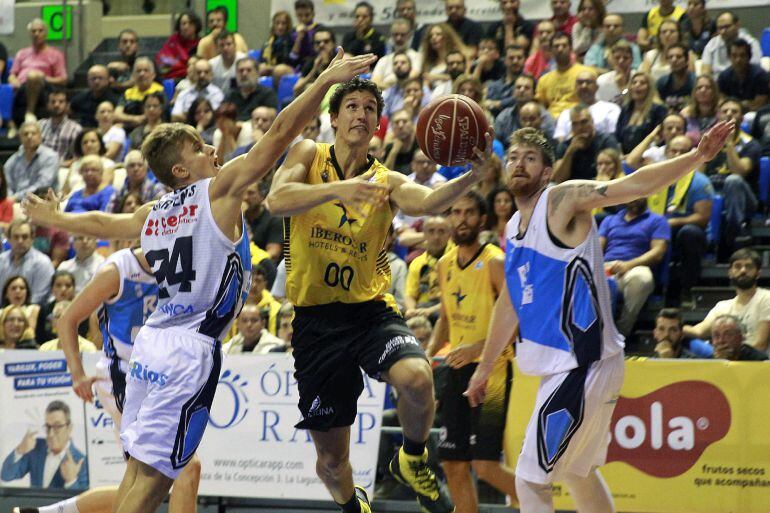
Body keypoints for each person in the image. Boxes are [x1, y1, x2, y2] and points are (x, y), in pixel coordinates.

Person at [23, 49, 378, 513]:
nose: (213, 150)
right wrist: (325, 81)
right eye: (200, 147)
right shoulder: (219, 190)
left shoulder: (152, 214)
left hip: (152, 345)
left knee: (137, 473)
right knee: (152, 486)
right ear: (181, 170)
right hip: (189, 351)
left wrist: (57, 218)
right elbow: (281, 132)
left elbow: (103, 224)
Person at [465, 121, 732, 513]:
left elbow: (634, 186)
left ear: (547, 171)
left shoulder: (560, 200)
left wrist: (696, 156)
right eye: (514, 157)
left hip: (580, 366)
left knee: (529, 479)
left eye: (530, 158)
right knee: (575, 471)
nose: (519, 164)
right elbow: (510, 301)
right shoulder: (513, 229)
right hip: (574, 367)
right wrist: (484, 367)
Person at [264, 74, 497, 513]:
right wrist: (339, 189)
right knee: (332, 462)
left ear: (377, 124)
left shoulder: (386, 180)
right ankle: (353, 504)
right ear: (333, 118)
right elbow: (276, 200)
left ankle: (411, 458)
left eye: (369, 108)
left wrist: (472, 177)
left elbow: (427, 202)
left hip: (370, 311)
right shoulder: (308, 154)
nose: (360, 113)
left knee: (417, 377)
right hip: (315, 323)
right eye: (351, 105)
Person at [17, 246, 202, 513]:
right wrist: (77, 373)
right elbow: (68, 319)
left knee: (145, 484)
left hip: (157, 381)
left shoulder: (182, 265)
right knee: (184, 469)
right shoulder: (119, 269)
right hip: (123, 378)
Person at [427, 191, 517, 513]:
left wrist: (477, 348)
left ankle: (539, 501)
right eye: (456, 212)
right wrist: (427, 353)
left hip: (492, 371)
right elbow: (447, 318)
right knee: (452, 463)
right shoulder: (443, 264)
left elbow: (516, 323)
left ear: (482, 220)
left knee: (485, 465)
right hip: (457, 370)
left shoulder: (495, 262)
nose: (461, 218)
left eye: (468, 213)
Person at [599, 197, 670, 336]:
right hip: (607, 267)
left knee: (641, 278)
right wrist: (598, 267)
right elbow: (595, 249)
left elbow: (658, 252)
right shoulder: (609, 220)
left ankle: (621, 332)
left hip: (636, 267)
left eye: (639, 194)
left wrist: (628, 265)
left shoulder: (657, 220)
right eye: (631, 194)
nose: (634, 198)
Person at [684, 249, 770, 354]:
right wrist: (675, 329)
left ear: (758, 273)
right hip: (728, 365)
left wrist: (731, 353)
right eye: (738, 266)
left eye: (749, 266)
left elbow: (761, 345)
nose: (743, 270)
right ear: (730, 273)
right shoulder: (722, 307)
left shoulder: (766, 298)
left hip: (759, 365)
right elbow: (698, 331)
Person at [1, 400, 88, 489]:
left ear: (69, 428)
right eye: (47, 426)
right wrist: (19, 450)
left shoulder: (82, 462)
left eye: (57, 426)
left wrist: (71, 481)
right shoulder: (36, 447)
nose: (50, 434)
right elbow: (6, 475)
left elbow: (85, 501)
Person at [8, 19, 67, 125]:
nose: (36, 34)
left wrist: (43, 77)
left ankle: (29, 112)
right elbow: (12, 75)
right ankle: (11, 123)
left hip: (43, 88)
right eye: (33, 31)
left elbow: (63, 79)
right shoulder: (22, 53)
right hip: (22, 88)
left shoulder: (55, 54)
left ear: (46, 33)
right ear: (30, 34)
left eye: (40, 31)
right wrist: (14, 81)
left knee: (33, 76)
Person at [553, 104, 620, 182]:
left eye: (584, 122)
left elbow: (617, 172)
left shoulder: (606, 141)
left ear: (592, 122)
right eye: (575, 124)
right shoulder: (564, 146)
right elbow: (559, 179)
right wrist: (570, 152)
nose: (580, 128)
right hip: (573, 190)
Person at [535, 32, 591, 118]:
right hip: (552, 122)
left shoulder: (585, 73)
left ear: (571, 48)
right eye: (556, 46)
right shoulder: (544, 79)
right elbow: (540, 106)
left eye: (564, 45)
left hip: (578, 118)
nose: (560, 49)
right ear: (550, 50)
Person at [553, 70, 620, 141]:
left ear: (596, 87)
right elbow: (560, 141)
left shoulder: (611, 109)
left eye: (588, 82)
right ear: (575, 88)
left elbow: (613, 137)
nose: (584, 86)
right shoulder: (565, 114)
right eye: (580, 83)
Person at [0, 220, 55, 304]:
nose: (20, 241)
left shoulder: (43, 263)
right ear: (8, 239)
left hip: (30, 313)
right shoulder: (1, 260)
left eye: (24, 237)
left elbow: (39, 297)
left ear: (32, 238)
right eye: (16, 237)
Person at [3, 122, 59, 202]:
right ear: (20, 138)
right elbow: (6, 184)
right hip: (15, 203)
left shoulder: (50, 157)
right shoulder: (13, 160)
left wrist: (16, 197)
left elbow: (43, 185)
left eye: (33, 133)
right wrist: (9, 198)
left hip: (43, 202)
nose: (29, 136)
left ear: (40, 136)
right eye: (26, 134)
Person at [701, 12, 762, 78]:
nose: (723, 31)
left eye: (727, 27)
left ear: (737, 25)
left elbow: (755, 70)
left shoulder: (751, 43)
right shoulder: (711, 45)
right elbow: (705, 72)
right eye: (720, 28)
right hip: (718, 84)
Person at [717, 39, 769, 113]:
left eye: (742, 55)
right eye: (734, 56)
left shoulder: (760, 75)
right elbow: (722, 103)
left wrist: (736, 105)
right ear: (729, 57)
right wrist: (744, 104)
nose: (738, 60)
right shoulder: (724, 76)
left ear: (749, 57)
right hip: (731, 113)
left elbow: (759, 105)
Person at [371, 19, 423, 90]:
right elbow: (374, 83)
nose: (398, 38)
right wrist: (392, 89)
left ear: (409, 35)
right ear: (391, 36)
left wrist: (390, 83)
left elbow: (414, 76)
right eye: (396, 34)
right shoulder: (383, 60)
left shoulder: (417, 56)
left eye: (402, 35)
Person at [37, 91, 84, 166]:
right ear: (47, 105)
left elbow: (79, 157)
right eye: (53, 102)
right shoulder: (39, 125)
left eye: (61, 102)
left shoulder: (75, 129)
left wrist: (58, 165)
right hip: (39, 168)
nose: (56, 105)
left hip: (63, 169)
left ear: (67, 105)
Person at [224, 57, 279, 121]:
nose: (244, 74)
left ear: (257, 73)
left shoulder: (268, 94)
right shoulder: (230, 95)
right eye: (241, 70)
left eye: (249, 70)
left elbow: (272, 116)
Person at [155, 10, 202, 80]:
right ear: (179, 26)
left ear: (196, 26)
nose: (186, 27)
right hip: (170, 80)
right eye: (183, 24)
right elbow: (162, 61)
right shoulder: (173, 41)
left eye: (190, 23)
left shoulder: (201, 43)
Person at [209, 31, 247, 96]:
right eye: (221, 45)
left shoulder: (245, 61)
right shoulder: (211, 65)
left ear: (235, 45)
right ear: (217, 48)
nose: (225, 48)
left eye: (229, 44)